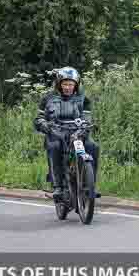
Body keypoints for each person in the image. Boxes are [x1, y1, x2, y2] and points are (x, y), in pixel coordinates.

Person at [33, 67, 100, 201]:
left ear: (76, 84)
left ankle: (90, 185)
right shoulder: (48, 99)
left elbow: (87, 119)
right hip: (56, 132)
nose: (68, 87)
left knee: (93, 146)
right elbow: (38, 119)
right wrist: (45, 125)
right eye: (65, 84)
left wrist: (84, 128)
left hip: (77, 132)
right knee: (54, 147)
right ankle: (57, 186)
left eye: (71, 84)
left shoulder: (83, 99)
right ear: (59, 84)